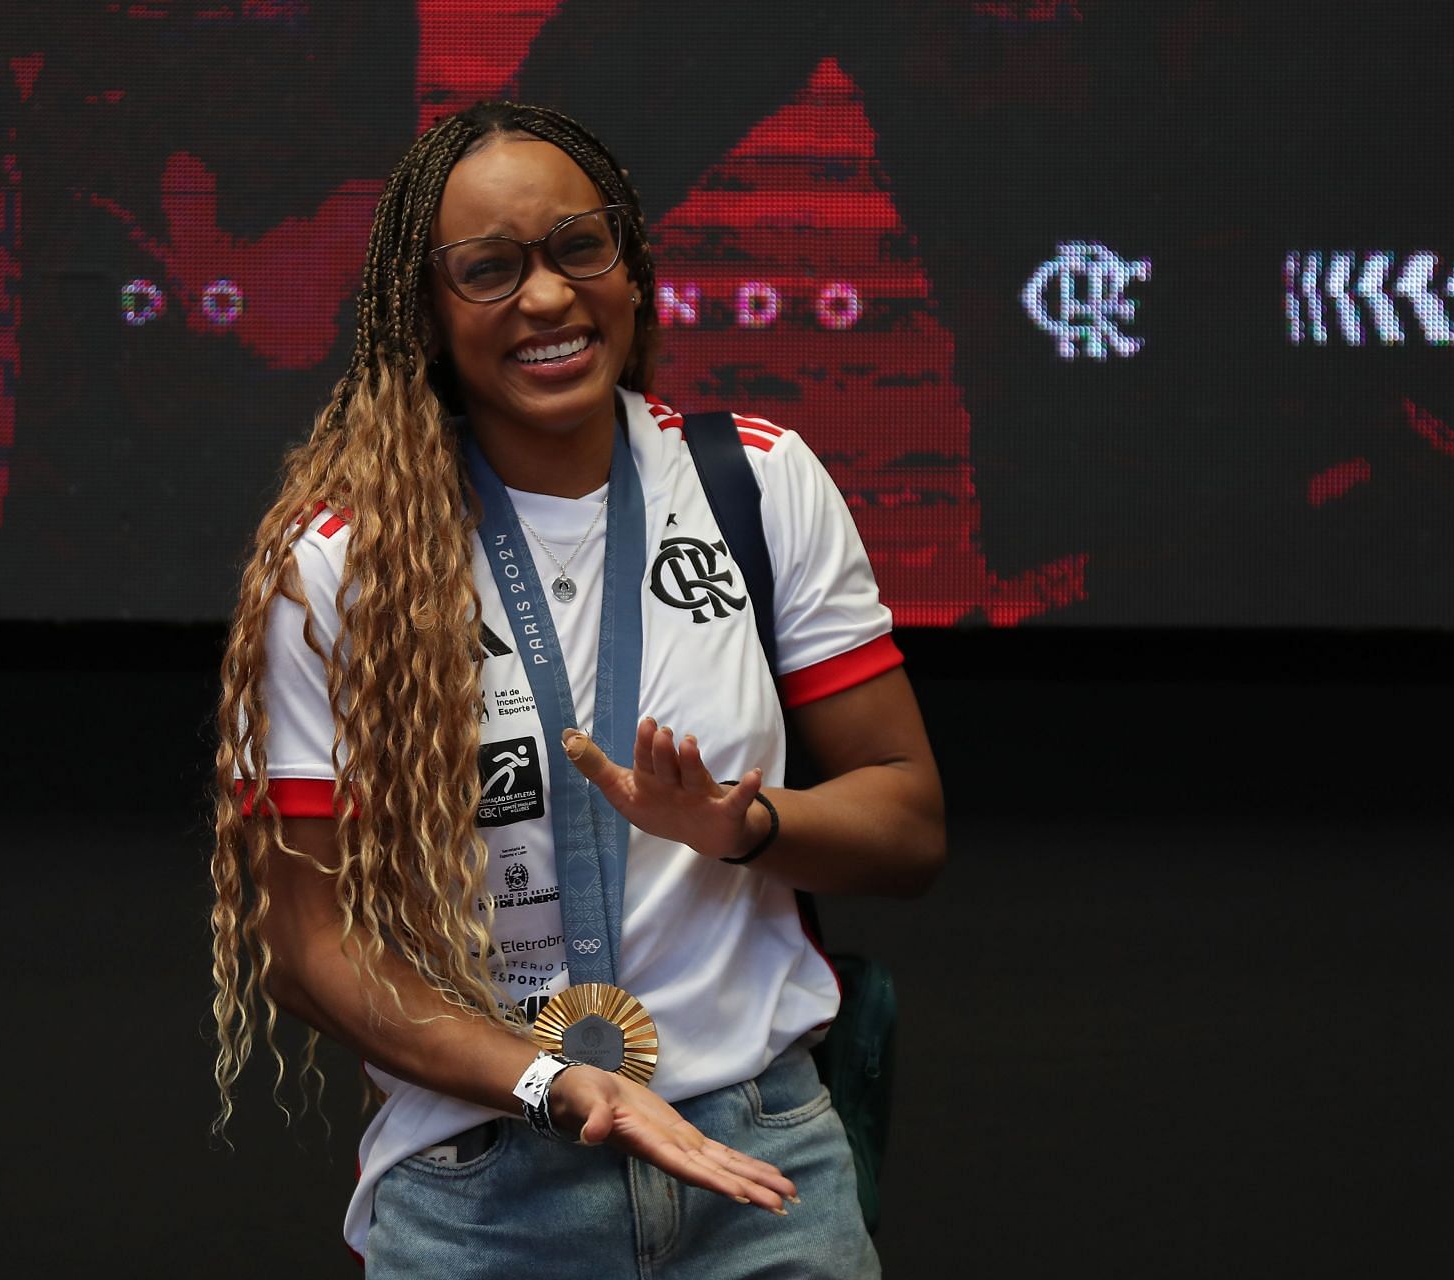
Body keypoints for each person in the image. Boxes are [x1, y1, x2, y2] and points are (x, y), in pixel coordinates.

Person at [210, 100, 946, 1276]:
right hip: (482, 1187)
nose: (547, 298)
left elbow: (907, 821)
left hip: (760, 1167)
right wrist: (550, 1080)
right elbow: (308, 947)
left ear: (632, 268)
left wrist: (747, 824)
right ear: (428, 313)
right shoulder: (338, 567)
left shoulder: (758, 484)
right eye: (489, 270)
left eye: (578, 248)